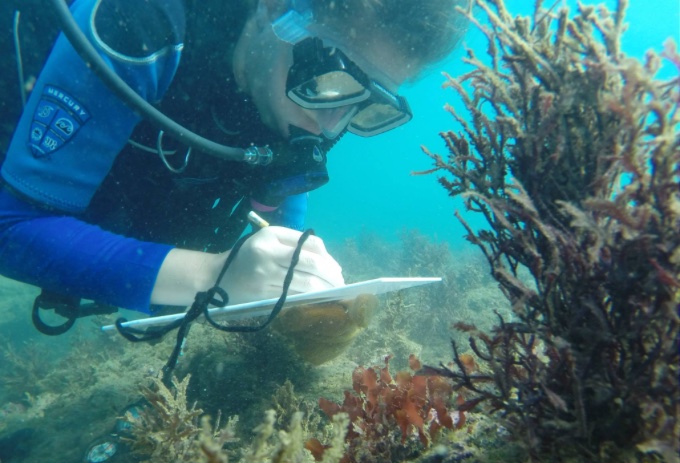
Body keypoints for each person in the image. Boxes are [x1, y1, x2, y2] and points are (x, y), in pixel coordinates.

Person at [0, 0, 467, 327]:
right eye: (332, 80)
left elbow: (280, 220)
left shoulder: (302, 99)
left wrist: (296, 284)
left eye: (367, 106)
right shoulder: (142, 20)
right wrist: (212, 276)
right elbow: (11, 226)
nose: (330, 124)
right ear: (275, 8)